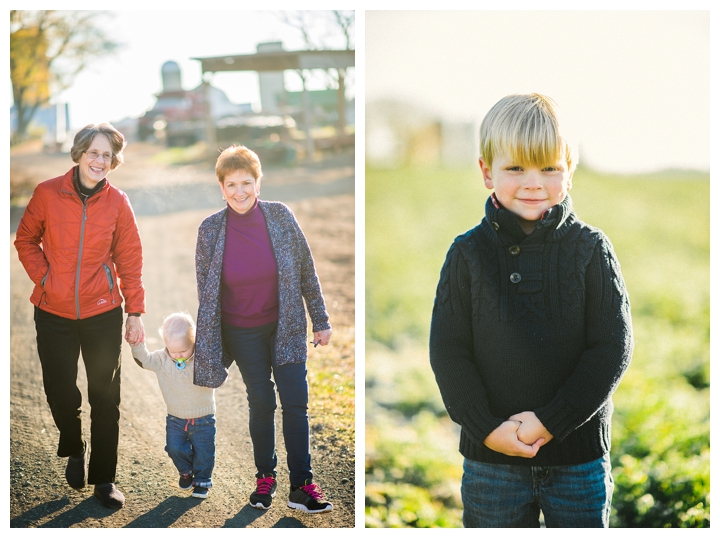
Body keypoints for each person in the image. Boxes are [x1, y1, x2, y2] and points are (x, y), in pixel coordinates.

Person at [429, 93, 634, 528]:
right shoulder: (467, 254)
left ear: (570, 171)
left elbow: (611, 348)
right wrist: (485, 428)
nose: (533, 182)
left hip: (577, 461)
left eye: (550, 168)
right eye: (516, 168)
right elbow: (448, 351)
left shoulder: (591, 249)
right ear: (487, 171)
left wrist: (550, 422)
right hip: (491, 464)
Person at [194, 145, 334, 514]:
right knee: (261, 401)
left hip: (284, 324)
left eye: (246, 182)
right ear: (221, 188)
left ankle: (302, 486)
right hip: (242, 330)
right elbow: (205, 292)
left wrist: (320, 320)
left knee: (296, 402)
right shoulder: (210, 230)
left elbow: (306, 269)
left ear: (258, 183)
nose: (239, 191)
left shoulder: (280, 216)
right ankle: (265, 479)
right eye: (231, 184)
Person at [14, 123, 145, 509]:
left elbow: (130, 259)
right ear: (79, 153)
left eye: (107, 155)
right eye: (94, 153)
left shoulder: (118, 202)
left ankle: (104, 478)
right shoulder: (47, 193)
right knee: (59, 391)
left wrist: (134, 310)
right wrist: (46, 277)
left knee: (105, 397)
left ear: (114, 160)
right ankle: (74, 444)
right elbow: (25, 239)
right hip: (52, 312)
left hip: (102, 312)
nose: (100, 161)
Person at [129, 312, 216, 499]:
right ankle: (185, 471)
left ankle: (202, 481)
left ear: (194, 342)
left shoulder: (202, 358)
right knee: (175, 447)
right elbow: (143, 359)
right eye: (173, 351)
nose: (178, 356)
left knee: (205, 452)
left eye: (183, 351)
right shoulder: (161, 359)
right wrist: (136, 343)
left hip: (204, 419)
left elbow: (218, 369)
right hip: (175, 419)